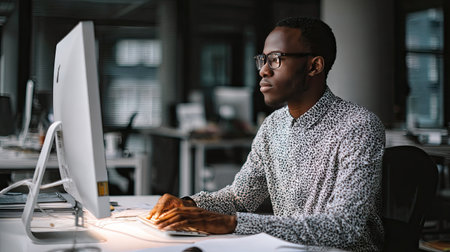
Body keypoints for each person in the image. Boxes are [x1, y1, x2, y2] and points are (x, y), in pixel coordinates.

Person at [148, 16, 385, 251]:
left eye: (275, 60)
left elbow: (344, 227)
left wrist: (232, 224)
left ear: (314, 66)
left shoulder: (358, 126)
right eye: (262, 60)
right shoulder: (273, 125)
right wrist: (189, 203)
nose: (262, 71)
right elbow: (240, 199)